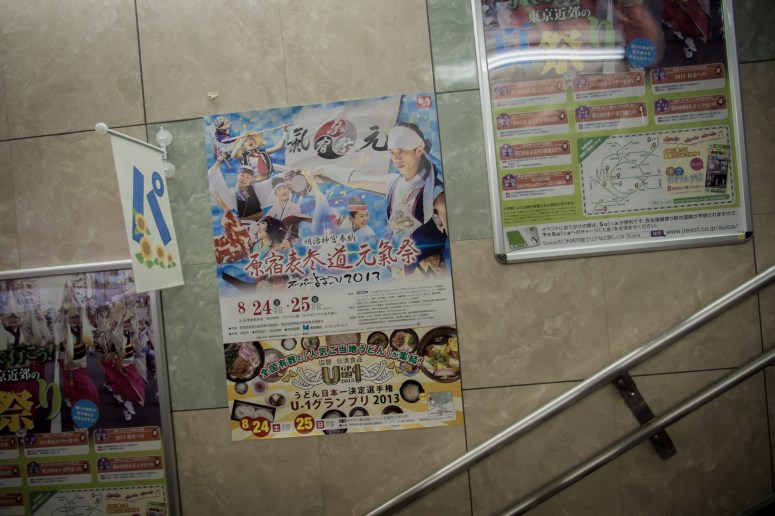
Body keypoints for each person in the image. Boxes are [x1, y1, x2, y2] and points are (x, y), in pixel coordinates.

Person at [311, 123, 448, 275]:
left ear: (419, 151)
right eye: (392, 152)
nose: (396, 158)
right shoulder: (392, 182)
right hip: (398, 272)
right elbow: (355, 180)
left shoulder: (436, 193)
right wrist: (325, 170)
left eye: (402, 151)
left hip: (430, 272)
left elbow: (455, 243)